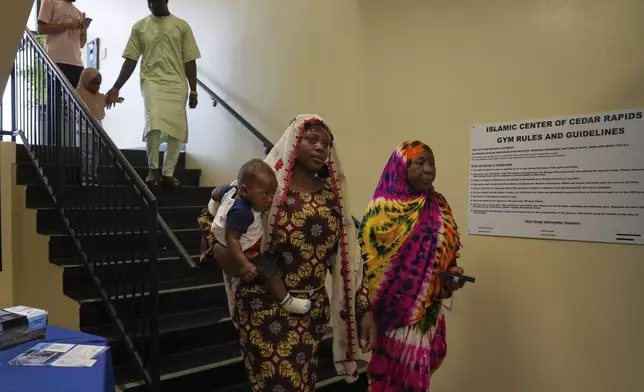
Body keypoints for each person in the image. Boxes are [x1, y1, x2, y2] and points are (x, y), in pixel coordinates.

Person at [199, 115, 376, 391]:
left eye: (326, 143)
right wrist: (224, 253)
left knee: (302, 384)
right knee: (278, 383)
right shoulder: (268, 185)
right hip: (263, 305)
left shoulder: (333, 198)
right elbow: (217, 218)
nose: (320, 147)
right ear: (294, 140)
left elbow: (349, 259)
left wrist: (363, 309)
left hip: (311, 311)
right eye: (312, 139)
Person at [358, 140, 467, 392]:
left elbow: (446, 253)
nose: (429, 169)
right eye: (420, 162)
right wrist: (364, 310)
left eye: (432, 163)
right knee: (392, 380)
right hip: (391, 315)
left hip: (426, 311)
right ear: (401, 167)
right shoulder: (380, 211)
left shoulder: (438, 205)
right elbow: (367, 266)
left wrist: (451, 273)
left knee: (415, 382)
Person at [106, 0, 201, 188]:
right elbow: (131, 59)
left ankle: (168, 173)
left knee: (177, 128)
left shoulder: (181, 26)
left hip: (176, 83)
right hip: (152, 81)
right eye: (148, 1)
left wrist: (193, 90)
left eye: (155, 0)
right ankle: (153, 170)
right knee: (154, 122)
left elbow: (190, 59)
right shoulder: (140, 27)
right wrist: (116, 86)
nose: (151, 4)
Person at [209, 158, 312, 314]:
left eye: (272, 195)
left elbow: (215, 192)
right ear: (244, 191)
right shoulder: (243, 213)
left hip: (228, 241)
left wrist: (214, 200)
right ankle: (286, 300)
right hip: (242, 250)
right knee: (269, 269)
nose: (270, 200)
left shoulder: (232, 190)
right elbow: (233, 239)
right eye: (265, 195)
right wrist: (244, 263)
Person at [75, 68, 118, 185]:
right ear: (85, 81)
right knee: (87, 154)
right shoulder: (78, 93)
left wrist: (115, 98)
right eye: (94, 84)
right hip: (85, 129)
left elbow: (107, 99)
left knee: (95, 155)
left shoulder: (99, 96)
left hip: (98, 130)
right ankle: (86, 177)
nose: (97, 87)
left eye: (99, 84)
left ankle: (92, 176)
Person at [37, 0, 87, 87]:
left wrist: (84, 32)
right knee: (56, 99)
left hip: (77, 64)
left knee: (74, 100)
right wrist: (67, 25)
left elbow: (81, 44)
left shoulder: (79, 13)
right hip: (56, 61)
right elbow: (41, 29)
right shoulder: (50, 2)